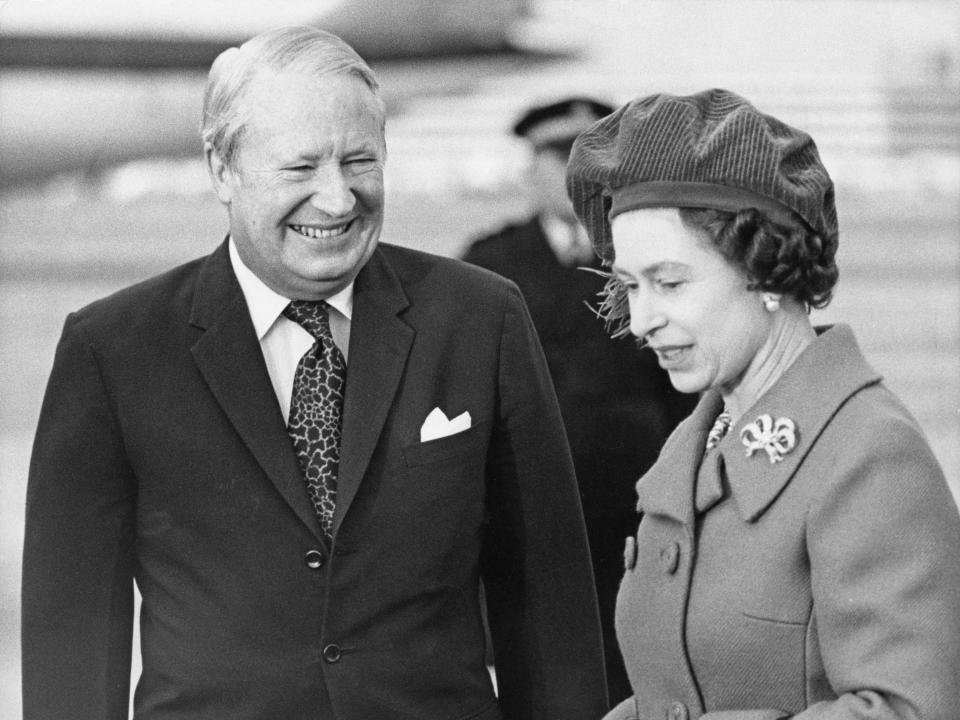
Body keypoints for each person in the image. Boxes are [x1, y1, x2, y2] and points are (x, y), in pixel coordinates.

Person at [21, 26, 609, 720]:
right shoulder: (112, 349)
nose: (337, 200)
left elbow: (549, 608)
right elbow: (71, 638)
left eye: (359, 162)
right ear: (222, 170)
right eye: (300, 169)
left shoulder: (482, 318)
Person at [566, 88, 960, 719]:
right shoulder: (696, 441)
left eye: (669, 283)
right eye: (629, 286)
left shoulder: (869, 455)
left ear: (767, 269)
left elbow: (911, 710)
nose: (640, 321)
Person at [463, 98, 696, 703]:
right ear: (527, 170)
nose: (571, 175)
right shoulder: (489, 264)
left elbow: (687, 389)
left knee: (639, 675)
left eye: (586, 158)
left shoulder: (652, 261)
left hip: (640, 511)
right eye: (554, 156)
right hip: (529, 515)